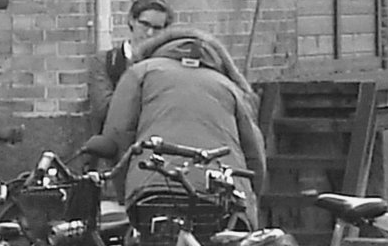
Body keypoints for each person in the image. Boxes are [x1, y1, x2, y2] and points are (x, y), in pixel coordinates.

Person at [101, 27, 266, 229]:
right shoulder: (230, 87)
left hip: (155, 187)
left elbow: (117, 134)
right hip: (223, 193)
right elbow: (255, 154)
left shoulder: (140, 72)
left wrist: (125, 190)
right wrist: (250, 198)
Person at [88, 0, 175, 135]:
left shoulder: (167, 64)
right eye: (145, 24)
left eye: (157, 28)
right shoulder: (106, 61)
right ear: (131, 20)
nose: (149, 33)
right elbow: (105, 110)